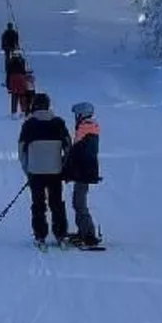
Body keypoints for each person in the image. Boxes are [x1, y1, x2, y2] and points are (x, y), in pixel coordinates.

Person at [18, 93, 70, 245]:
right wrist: (63, 165)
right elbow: (68, 146)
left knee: (38, 204)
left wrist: (27, 170)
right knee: (57, 203)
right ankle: (61, 234)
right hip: (55, 170)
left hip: (35, 171)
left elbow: (22, 151)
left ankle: (40, 235)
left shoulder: (29, 124)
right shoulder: (59, 123)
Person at [63, 101, 102, 247]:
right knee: (78, 202)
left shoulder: (84, 128)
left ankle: (89, 234)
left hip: (84, 171)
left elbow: (76, 152)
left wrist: (68, 170)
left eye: (76, 114)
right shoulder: (90, 127)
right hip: (86, 170)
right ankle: (83, 231)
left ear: (81, 114)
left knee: (79, 203)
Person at [5, 52, 31, 117]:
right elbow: (24, 70)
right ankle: (23, 111)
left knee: (14, 96)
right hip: (21, 78)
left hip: (13, 78)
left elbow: (8, 72)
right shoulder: (22, 60)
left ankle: (14, 112)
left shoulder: (10, 61)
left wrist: (8, 84)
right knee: (22, 95)